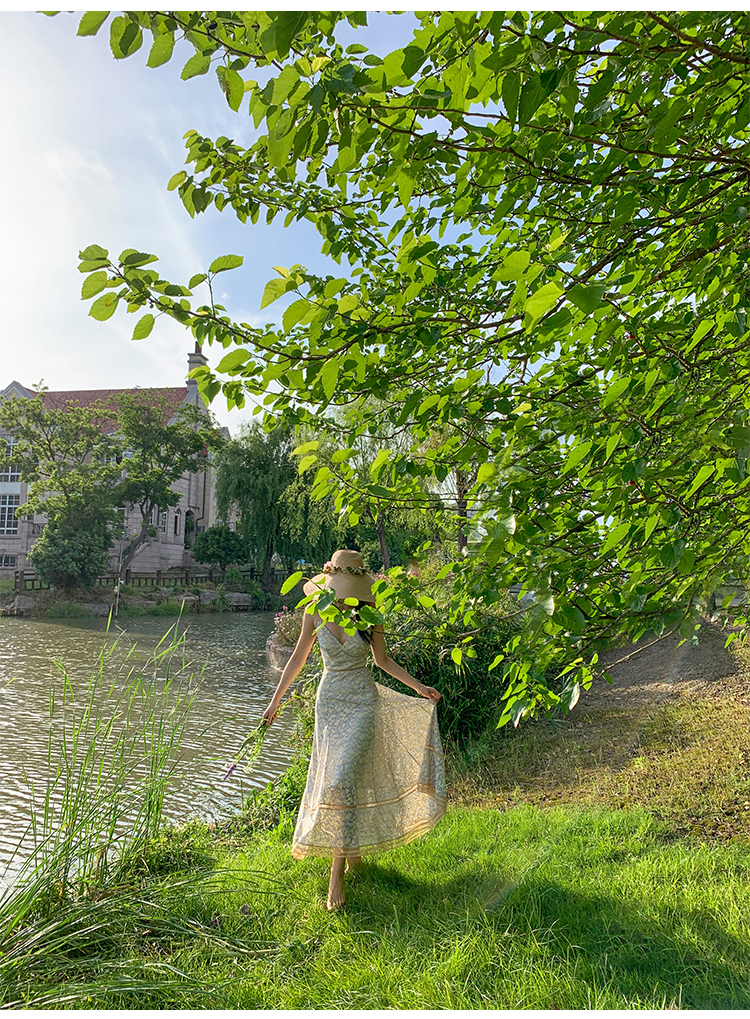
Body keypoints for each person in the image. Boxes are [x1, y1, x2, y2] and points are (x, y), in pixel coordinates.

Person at [263, 549, 447, 911]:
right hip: (330, 704)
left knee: (345, 780)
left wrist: (418, 687)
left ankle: (337, 875)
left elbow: (382, 660)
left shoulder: (370, 615)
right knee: (340, 781)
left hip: (363, 702)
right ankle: (353, 850)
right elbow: (298, 658)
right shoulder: (315, 611)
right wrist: (275, 702)